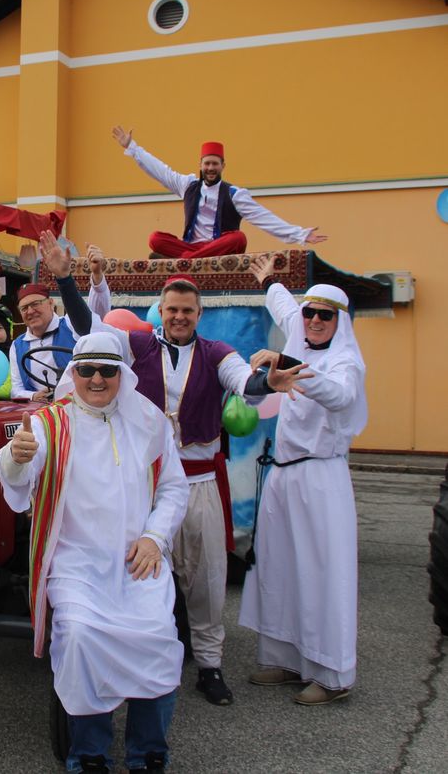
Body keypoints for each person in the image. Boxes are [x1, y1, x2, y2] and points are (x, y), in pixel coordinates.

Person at [40, 230, 310, 707]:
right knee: (133, 572)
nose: (180, 317)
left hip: (199, 482)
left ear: (198, 315)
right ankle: (131, 652)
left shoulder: (216, 353)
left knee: (206, 577)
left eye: (188, 310)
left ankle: (209, 665)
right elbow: (89, 331)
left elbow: (243, 382)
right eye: (172, 310)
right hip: (144, 486)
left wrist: (267, 380)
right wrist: (64, 280)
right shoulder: (137, 346)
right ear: (160, 313)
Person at [0, 332, 190, 773]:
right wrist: (16, 456)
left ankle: (148, 754)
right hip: (75, 565)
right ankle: (89, 756)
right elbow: (14, 468)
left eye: (107, 370)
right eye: (87, 370)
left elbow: (175, 489)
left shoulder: (150, 420)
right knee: (82, 640)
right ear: (74, 373)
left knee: (158, 638)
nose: (96, 379)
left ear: (122, 374)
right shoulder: (50, 423)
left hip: (137, 562)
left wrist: (155, 538)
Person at [239, 255, 366, 705]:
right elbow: (284, 308)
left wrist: (288, 364)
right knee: (279, 566)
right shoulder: (301, 330)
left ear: (340, 322)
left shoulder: (346, 361)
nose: (312, 320)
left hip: (321, 478)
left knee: (320, 572)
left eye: (323, 315)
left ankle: (332, 675)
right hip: (283, 473)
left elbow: (339, 395)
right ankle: (288, 660)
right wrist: (269, 278)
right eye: (310, 312)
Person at [112, 126, 328, 259]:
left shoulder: (235, 194)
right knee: (155, 239)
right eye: (207, 164)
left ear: (223, 166)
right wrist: (132, 147)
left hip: (217, 247)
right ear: (200, 164)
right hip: (190, 246)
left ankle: (187, 260)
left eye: (215, 164)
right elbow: (160, 170)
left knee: (239, 239)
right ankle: (191, 258)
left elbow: (263, 217)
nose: (210, 168)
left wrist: (299, 234)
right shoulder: (187, 185)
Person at [10, 244, 111, 400]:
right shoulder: (17, 345)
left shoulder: (71, 324)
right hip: (40, 412)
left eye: (35, 304)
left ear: (51, 303)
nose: (30, 311)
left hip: (78, 404)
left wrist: (97, 277)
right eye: (24, 308)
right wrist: (34, 395)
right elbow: (16, 389)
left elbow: (96, 319)